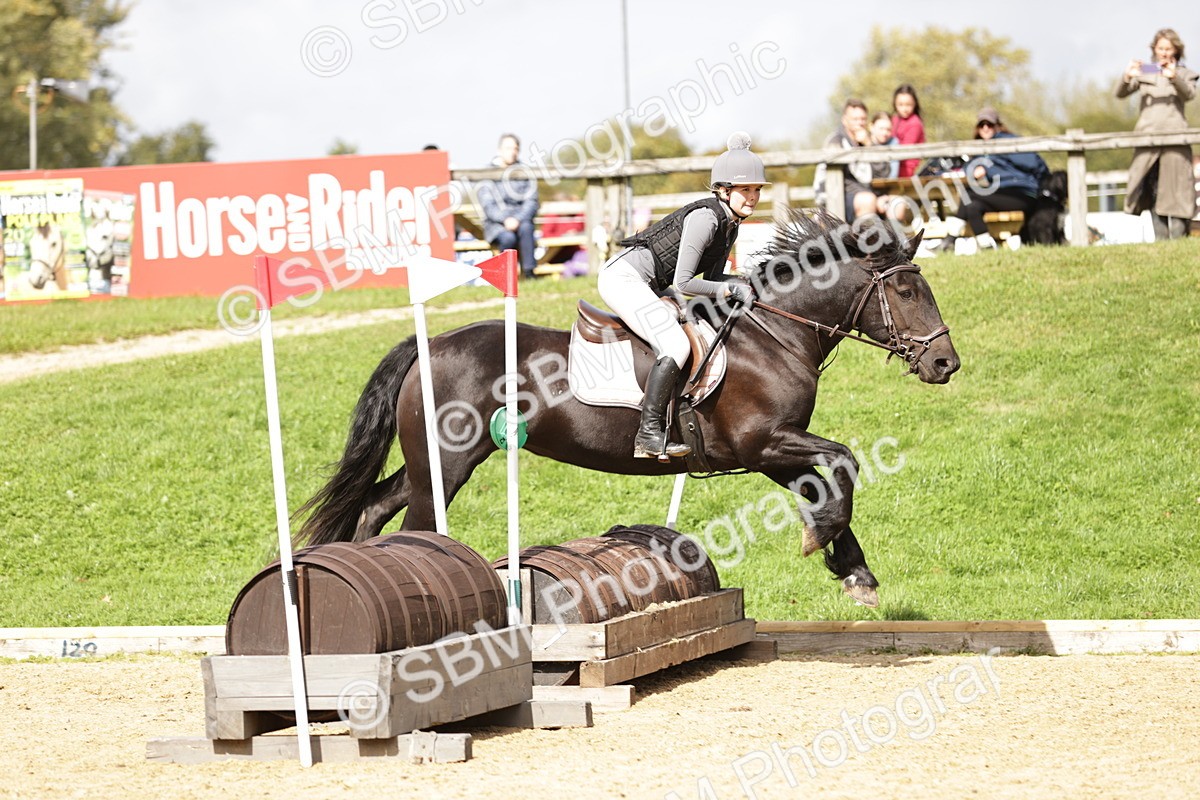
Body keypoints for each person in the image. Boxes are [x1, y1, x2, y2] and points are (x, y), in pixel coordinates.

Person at [597, 132, 765, 460]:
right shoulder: (706, 219)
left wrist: (749, 281)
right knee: (676, 344)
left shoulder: (731, 223)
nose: (753, 197)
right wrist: (732, 288)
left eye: (757, 190)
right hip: (623, 279)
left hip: (652, 283)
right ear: (725, 190)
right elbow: (686, 283)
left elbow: (714, 279)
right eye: (746, 189)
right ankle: (647, 434)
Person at [1115, 28, 1198, 241]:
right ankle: (1161, 240)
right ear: (1154, 49)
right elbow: (1120, 93)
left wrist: (1174, 77)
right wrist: (1127, 76)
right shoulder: (1145, 71)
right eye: (1160, 48)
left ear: (1176, 50)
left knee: (1177, 191)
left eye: (1168, 48)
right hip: (1147, 139)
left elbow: (1189, 94)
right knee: (1150, 190)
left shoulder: (1185, 73)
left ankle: (1179, 238)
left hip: (1176, 139)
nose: (1164, 52)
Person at [937, 108, 1049, 255]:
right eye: (982, 124)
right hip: (1002, 193)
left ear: (997, 125)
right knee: (972, 206)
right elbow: (969, 169)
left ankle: (949, 240)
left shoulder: (1007, 142)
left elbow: (1035, 163)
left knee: (969, 195)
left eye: (989, 124)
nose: (985, 128)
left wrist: (990, 165)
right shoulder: (981, 150)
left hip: (1022, 193)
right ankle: (988, 249)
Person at [814, 99, 908, 223]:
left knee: (898, 205)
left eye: (863, 119)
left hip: (871, 194)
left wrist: (869, 145)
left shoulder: (867, 141)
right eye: (855, 119)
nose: (859, 123)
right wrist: (872, 196)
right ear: (844, 120)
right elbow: (841, 181)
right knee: (867, 200)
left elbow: (884, 173)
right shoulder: (836, 142)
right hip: (840, 198)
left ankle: (890, 241)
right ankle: (863, 241)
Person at [476, 133, 540, 276]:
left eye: (515, 148)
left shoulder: (525, 172)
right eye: (508, 148)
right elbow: (488, 205)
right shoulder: (486, 173)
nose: (512, 152)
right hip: (496, 224)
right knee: (508, 238)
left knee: (527, 227)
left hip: (521, 221)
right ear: (499, 150)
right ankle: (505, 276)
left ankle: (529, 272)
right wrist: (505, 219)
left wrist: (517, 219)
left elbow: (532, 201)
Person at [890, 84, 926, 179]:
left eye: (908, 105)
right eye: (900, 105)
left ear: (914, 104)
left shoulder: (915, 123)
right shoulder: (894, 120)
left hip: (907, 171)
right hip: (892, 165)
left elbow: (905, 150)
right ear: (895, 104)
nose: (904, 109)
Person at [869, 112, 900, 180]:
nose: (885, 133)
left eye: (888, 129)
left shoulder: (893, 142)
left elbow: (894, 173)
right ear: (871, 127)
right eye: (881, 129)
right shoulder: (863, 141)